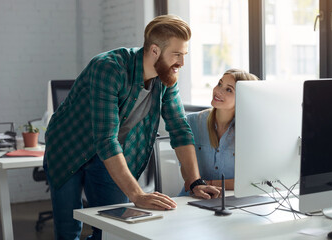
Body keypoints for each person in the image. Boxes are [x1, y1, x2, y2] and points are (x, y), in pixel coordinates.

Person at [43, 14, 221, 239]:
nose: (182, 63)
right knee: (69, 231)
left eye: (184, 55)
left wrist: (195, 181)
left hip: (106, 155)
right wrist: (137, 195)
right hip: (68, 148)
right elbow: (106, 138)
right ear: (155, 51)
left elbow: (179, 128)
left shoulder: (166, 78)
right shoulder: (108, 68)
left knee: (115, 230)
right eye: (177, 55)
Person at [179, 69, 259, 196]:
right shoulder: (192, 122)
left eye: (229, 90)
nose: (218, 91)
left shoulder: (249, 132)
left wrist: (208, 183)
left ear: (243, 98)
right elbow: (186, 171)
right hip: (193, 198)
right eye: (220, 84)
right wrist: (199, 184)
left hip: (231, 200)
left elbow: (253, 181)